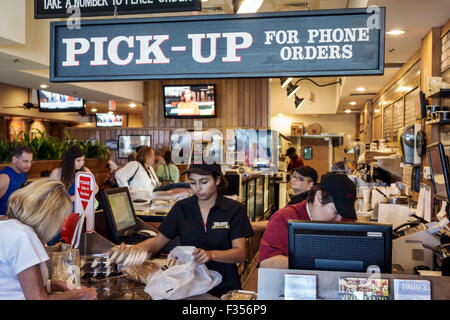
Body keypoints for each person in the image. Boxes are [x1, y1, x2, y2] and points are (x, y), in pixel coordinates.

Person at [122, 163, 253, 297]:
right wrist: (132, 250)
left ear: (217, 180)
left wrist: (211, 255)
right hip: (189, 289)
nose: (198, 188)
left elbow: (240, 253)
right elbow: (156, 243)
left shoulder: (234, 209)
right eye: (192, 182)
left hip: (225, 288)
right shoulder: (181, 209)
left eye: (204, 182)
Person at [0, 179, 97, 300]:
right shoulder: (23, 236)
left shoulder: (7, 225)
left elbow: (12, 282)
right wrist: (79, 293)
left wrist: (56, 284)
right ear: (49, 218)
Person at [258, 173, 357, 269]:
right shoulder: (285, 217)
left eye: (343, 213)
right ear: (319, 197)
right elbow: (266, 262)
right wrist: (315, 264)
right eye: (336, 211)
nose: (339, 219)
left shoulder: (346, 219)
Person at [0, 145, 34, 216]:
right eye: (25, 161)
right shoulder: (4, 177)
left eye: (31, 161)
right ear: (14, 159)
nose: (29, 165)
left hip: (15, 217)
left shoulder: (23, 173)